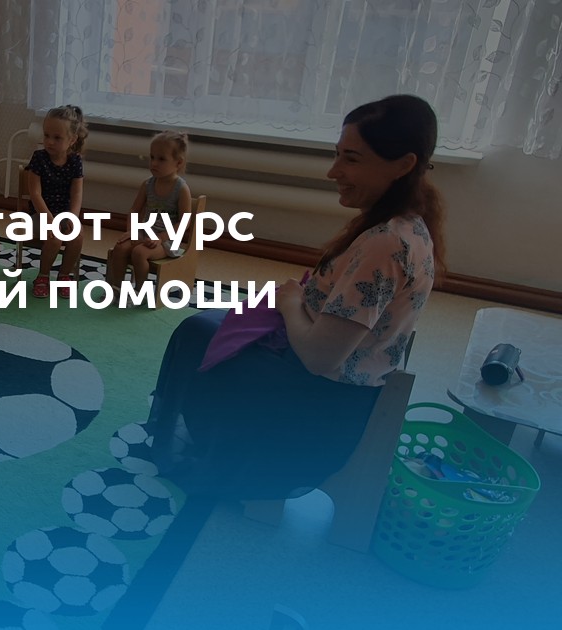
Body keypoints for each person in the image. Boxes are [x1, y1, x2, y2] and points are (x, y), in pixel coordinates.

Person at [147, 94, 446, 500]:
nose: (333, 171)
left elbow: (320, 358)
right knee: (206, 325)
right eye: (337, 155)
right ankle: (194, 434)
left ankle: (203, 447)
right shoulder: (408, 224)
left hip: (312, 408)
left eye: (351, 159)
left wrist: (291, 302)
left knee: (196, 336)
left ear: (403, 164)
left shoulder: (386, 243)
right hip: (326, 382)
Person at [105, 131, 192, 296]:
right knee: (120, 248)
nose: (154, 163)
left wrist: (161, 238)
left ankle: (140, 291)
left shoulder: (181, 188)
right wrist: (131, 231)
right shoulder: (148, 184)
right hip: (145, 233)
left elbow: (184, 222)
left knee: (139, 253)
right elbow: (134, 210)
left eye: (161, 159)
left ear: (178, 163)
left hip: (167, 241)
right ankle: (117, 289)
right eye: (152, 157)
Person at [26, 105, 88, 299]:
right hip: (39, 215)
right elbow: (35, 193)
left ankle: (64, 275)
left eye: (57, 138)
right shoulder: (39, 158)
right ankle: (43, 276)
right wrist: (49, 219)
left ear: (72, 140)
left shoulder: (75, 161)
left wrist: (73, 217)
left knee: (77, 235)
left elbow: (77, 193)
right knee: (54, 237)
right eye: (46, 136)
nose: (50, 142)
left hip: (63, 215)